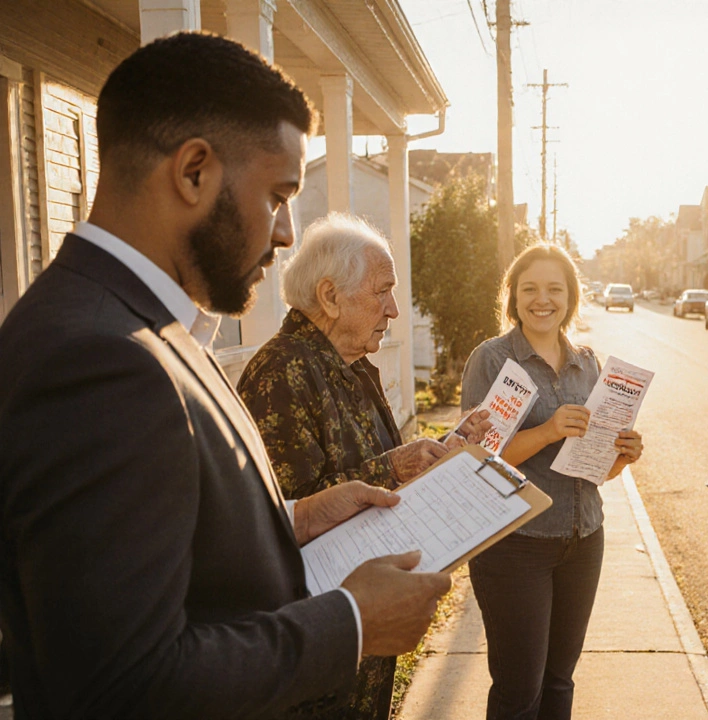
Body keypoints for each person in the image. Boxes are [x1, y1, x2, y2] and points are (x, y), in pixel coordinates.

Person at [0, 34, 451, 718]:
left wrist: (295, 520)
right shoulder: (98, 359)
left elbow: (170, 552)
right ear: (193, 174)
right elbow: (122, 685)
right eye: (277, 195)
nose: (286, 233)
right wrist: (352, 624)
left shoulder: (144, 324)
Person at [237, 212, 491, 719]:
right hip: (320, 654)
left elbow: (372, 468)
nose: (394, 309)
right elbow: (285, 523)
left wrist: (440, 450)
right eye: (382, 291)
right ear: (330, 297)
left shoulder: (346, 364)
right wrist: (392, 468)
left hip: (359, 639)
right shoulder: (284, 373)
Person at [459, 244, 643, 720]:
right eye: (530, 289)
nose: (542, 300)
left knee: (560, 682)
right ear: (513, 297)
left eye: (554, 289)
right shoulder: (492, 360)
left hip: (583, 539)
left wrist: (621, 457)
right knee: (520, 691)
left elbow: (593, 470)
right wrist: (546, 431)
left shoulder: (587, 362)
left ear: (571, 297)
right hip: (516, 544)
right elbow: (477, 458)